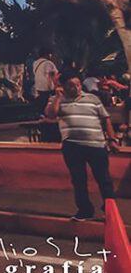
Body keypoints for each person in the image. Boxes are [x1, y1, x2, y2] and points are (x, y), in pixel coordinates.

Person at [45, 74, 119, 221]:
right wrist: (58, 97)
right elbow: (51, 114)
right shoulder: (56, 100)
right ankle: (85, 210)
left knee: (104, 179)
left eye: (78, 84)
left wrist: (112, 139)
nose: (76, 88)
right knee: (79, 179)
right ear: (65, 86)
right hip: (72, 145)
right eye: (72, 85)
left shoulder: (92, 99)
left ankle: (110, 209)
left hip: (96, 144)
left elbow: (105, 119)